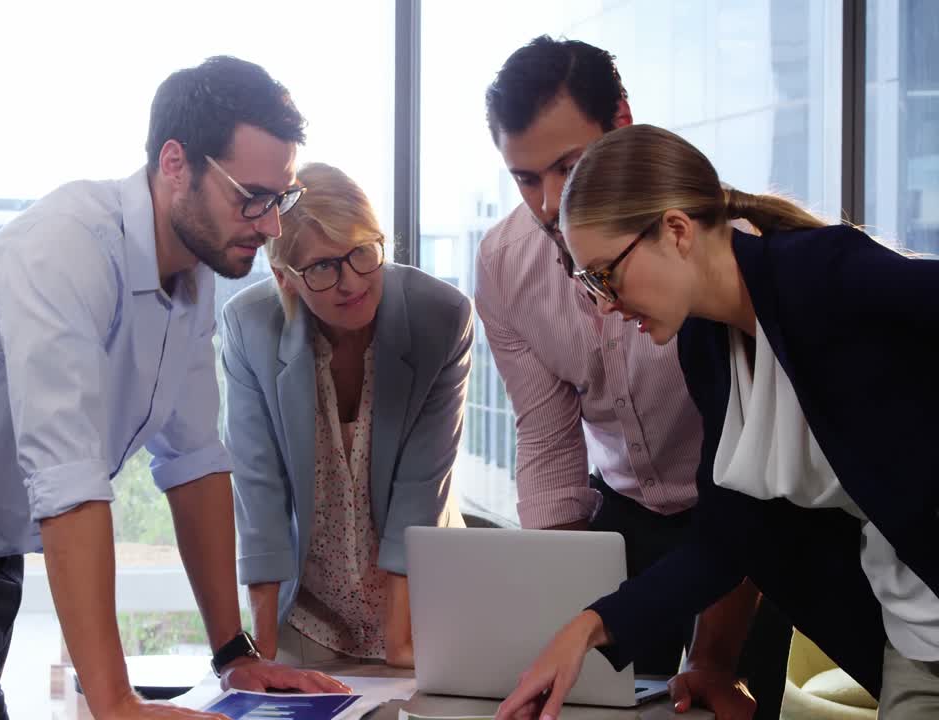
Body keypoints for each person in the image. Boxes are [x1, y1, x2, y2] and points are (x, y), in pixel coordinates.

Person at [0, 56, 349, 720]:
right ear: (176, 163)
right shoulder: (67, 248)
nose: (271, 226)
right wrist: (114, 702)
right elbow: (66, 479)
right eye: (252, 198)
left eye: (281, 199)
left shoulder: (194, 271)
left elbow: (194, 462)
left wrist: (233, 654)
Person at [498, 123, 939, 720]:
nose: (603, 303)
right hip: (915, 636)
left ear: (675, 231)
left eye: (606, 274)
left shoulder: (826, 274)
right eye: (588, 283)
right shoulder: (707, 345)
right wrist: (589, 627)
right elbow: (730, 537)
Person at [475, 36, 788, 718]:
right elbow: (550, 449)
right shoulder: (503, 266)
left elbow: (750, 494)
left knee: (724, 700)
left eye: (568, 166)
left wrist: (712, 661)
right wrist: (566, 622)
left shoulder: (711, 250)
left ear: (622, 122)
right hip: (621, 510)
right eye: (526, 179)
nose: (548, 203)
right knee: (601, 703)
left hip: (746, 512)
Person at [223, 163, 472, 668]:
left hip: (425, 608)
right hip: (311, 617)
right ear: (284, 278)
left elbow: (421, 491)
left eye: (362, 252)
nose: (351, 281)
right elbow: (259, 491)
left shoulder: (441, 317)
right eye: (322, 267)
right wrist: (261, 656)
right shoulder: (249, 326)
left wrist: (402, 645)